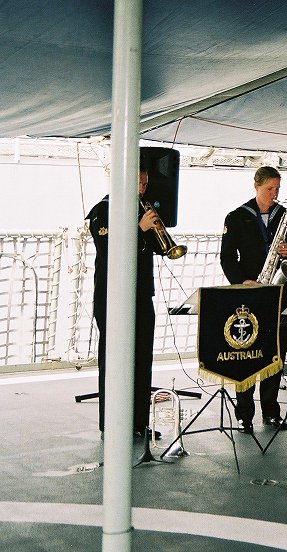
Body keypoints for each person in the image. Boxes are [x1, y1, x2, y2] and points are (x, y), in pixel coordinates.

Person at [220, 166, 287, 433]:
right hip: (250, 293)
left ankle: (271, 412)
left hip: (278, 293)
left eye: (278, 189)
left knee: (275, 354)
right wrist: (243, 282)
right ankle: (244, 414)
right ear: (256, 186)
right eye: (269, 189)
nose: (274, 194)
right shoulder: (236, 216)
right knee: (246, 355)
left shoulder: (283, 215)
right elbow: (227, 258)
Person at [86, 168, 160, 438]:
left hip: (141, 294)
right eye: (137, 183)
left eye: (145, 183)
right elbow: (108, 250)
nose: (141, 189)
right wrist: (139, 228)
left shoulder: (140, 209)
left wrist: (156, 230)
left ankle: (139, 423)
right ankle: (111, 425)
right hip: (112, 297)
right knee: (114, 360)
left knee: (143, 358)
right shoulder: (102, 210)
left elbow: (153, 248)